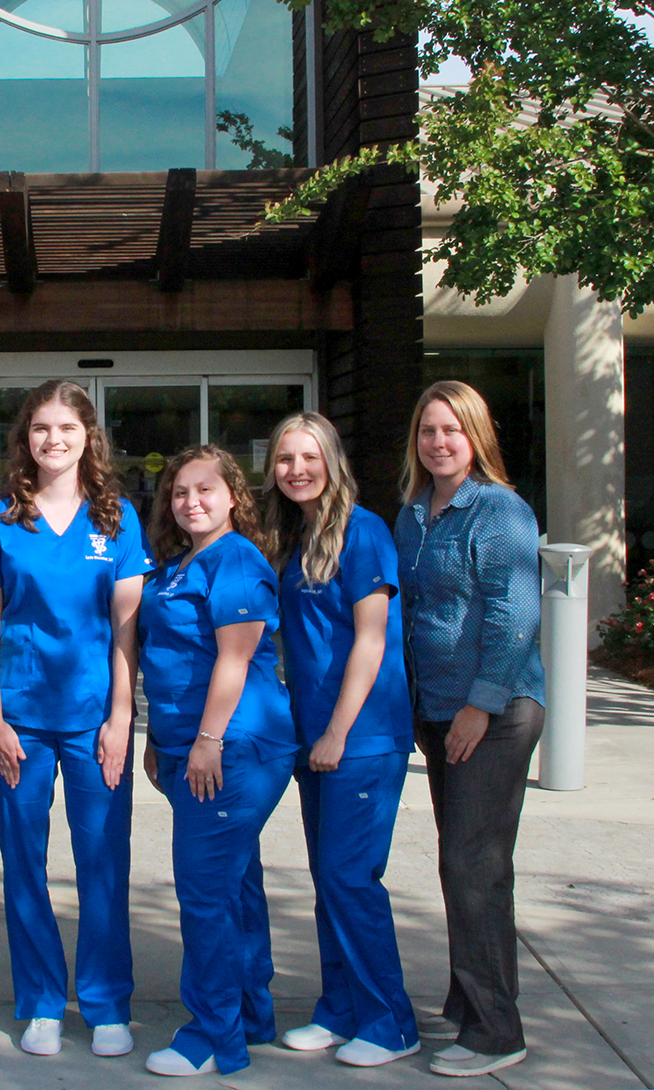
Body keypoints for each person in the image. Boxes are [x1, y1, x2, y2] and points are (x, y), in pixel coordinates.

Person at [0, 379, 150, 1059]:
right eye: (41, 428)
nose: (54, 440)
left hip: (91, 721)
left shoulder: (118, 520)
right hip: (19, 718)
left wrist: (119, 719)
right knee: (25, 863)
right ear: (26, 438)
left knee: (103, 861)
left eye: (67, 428)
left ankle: (105, 1002)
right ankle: (41, 1001)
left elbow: (125, 631)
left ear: (87, 437)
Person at [394, 381, 545, 1079]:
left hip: (496, 710)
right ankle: (469, 998)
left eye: (452, 430)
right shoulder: (414, 515)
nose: (439, 442)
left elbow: (515, 617)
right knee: (467, 861)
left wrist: (479, 708)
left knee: (472, 866)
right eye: (429, 430)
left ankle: (495, 1032)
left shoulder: (499, 511)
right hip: (440, 709)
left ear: (476, 436)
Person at [261, 412, 418, 1067]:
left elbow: (372, 641)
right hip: (313, 738)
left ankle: (390, 1022)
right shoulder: (294, 537)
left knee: (350, 877)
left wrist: (335, 731)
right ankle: (340, 1009)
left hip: (361, 736)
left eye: (308, 457)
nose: (296, 469)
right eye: (284, 458)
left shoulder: (365, 532)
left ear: (332, 459)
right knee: (331, 880)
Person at [138, 445, 297, 1077]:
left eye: (205, 490)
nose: (191, 502)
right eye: (180, 492)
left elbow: (235, 658)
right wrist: (161, 739)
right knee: (234, 886)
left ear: (234, 496)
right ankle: (252, 1014)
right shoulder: (181, 564)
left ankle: (213, 1036)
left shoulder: (235, 560)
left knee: (204, 893)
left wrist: (206, 742)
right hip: (189, 746)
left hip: (236, 747)